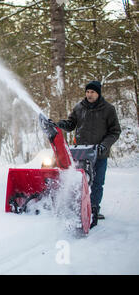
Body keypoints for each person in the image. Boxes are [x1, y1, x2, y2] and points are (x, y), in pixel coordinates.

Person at [56, 80, 121, 228]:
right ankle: (78, 208)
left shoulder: (108, 109)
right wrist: (62, 124)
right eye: (87, 92)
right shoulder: (79, 107)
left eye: (92, 92)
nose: (89, 94)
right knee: (79, 182)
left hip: (99, 154)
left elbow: (115, 131)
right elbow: (71, 124)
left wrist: (104, 145)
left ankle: (93, 209)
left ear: (98, 93)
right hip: (81, 153)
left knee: (97, 183)